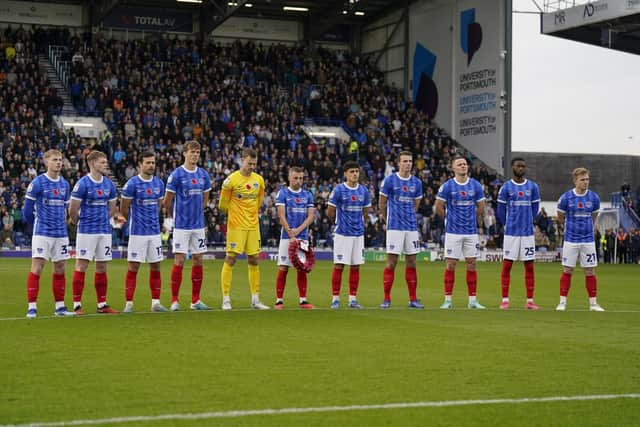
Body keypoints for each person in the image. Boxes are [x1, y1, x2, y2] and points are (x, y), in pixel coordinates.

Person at [22, 149, 76, 318]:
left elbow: (66, 209)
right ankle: (32, 307)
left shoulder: (65, 184)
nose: (58, 162)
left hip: (60, 234)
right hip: (42, 233)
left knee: (60, 268)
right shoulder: (38, 182)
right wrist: (37, 226)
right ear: (46, 162)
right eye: (55, 160)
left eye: (60, 159)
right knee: (37, 268)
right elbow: (27, 211)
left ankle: (60, 307)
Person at [68, 150, 121, 315]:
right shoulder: (82, 183)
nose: (106, 165)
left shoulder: (109, 184)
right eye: (102, 162)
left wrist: (105, 220)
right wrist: (79, 222)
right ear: (92, 164)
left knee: (102, 266)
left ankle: (102, 304)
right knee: (82, 265)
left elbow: (113, 207)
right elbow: (73, 209)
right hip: (86, 231)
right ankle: (77, 304)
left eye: (106, 162)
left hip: (104, 232)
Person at [218, 148, 269, 310]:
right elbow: (222, 205)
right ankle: (226, 299)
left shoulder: (259, 180)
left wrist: (250, 214)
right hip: (236, 226)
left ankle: (255, 299)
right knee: (230, 259)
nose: (252, 166)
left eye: (254, 164)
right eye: (249, 163)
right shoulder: (231, 180)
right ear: (242, 160)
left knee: (254, 259)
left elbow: (259, 200)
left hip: (253, 226)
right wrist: (235, 213)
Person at [164, 140, 212, 311]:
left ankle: (195, 300)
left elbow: (206, 197)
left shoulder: (203, 175)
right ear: (184, 153)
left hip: (198, 226)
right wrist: (171, 217)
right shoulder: (176, 175)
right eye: (192, 152)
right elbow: (167, 201)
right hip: (181, 225)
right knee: (180, 260)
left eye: (197, 152)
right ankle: (175, 300)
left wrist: (200, 211)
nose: (195, 155)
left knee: (198, 259)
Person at [434, 155, 486, 309]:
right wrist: (448, 220)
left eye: (465, 164)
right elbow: (438, 206)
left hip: (470, 232)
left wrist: (473, 218)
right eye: (460, 164)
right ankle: (448, 300)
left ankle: (472, 301)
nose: (463, 166)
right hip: (453, 232)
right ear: (453, 168)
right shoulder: (447, 186)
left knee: (472, 264)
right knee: (450, 265)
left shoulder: (475, 185)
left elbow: (481, 206)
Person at [120, 151, 168, 313]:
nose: (151, 166)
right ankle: (129, 304)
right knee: (133, 267)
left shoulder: (159, 184)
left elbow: (160, 206)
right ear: (140, 165)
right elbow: (124, 208)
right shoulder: (132, 184)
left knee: (156, 266)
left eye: (153, 163)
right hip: (137, 232)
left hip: (154, 233)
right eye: (147, 163)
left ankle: (155, 303)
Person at [378, 151, 424, 309]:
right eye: (404, 161)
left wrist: (409, 216)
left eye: (410, 161)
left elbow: (416, 205)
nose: (408, 164)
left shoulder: (417, 183)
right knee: (391, 262)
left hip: (411, 227)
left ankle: (413, 299)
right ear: (398, 163)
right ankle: (386, 299)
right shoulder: (389, 180)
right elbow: (382, 203)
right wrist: (387, 219)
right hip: (395, 227)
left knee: (412, 262)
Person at [556, 167, 604, 311]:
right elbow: (560, 216)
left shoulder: (594, 198)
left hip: (588, 240)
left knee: (590, 271)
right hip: (571, 239)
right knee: (568, 270)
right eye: (582, 180)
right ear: (575, 181)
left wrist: (590, 228)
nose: (586, 182)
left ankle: (593, 304)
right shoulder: (566, 197)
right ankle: (562, 302)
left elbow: (594, 216)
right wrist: (567, 227)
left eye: (587, 179)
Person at [495, 157, 541, 310]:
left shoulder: (533, 187)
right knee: (507, 266)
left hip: (527, 233)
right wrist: (507, 224)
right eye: (518, 166)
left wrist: (529, 221)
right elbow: (500, 210)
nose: (521, 168)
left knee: (529, 266)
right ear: (512, 167)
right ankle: (505, 300)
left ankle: (529, 301)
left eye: (523, 166)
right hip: (511, 234)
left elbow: (535, 208)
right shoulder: (506, 187)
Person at [327, 161, 371, 309]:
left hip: (358, 234)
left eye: (356, 171)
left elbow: (366, 211)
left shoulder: (363, 191)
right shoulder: (338, 190)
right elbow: (330, 211)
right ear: (345, 174)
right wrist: (339, 222)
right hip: (342, 234)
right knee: (339, 265)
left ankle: (353, 299)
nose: (354, 174)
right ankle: (335, 298)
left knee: (355, 266)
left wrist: (361, 223)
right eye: (351, 172)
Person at [274, 166, 316, 310]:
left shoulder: (308, 195)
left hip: (302, 237)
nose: (298, 181)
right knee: (283, 267)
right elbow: (281, 215)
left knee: (302, 268)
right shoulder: (283, 194)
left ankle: (303, 300)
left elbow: (311, 216)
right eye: (296, 178)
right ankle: (279, 300)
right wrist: (291, 233)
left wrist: (298, 231)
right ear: (289, 178)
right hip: (287, 237)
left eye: (301, 178)